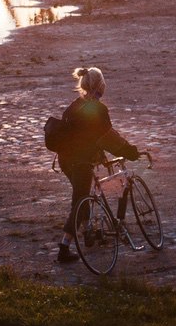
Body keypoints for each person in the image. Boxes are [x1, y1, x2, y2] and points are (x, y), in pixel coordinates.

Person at [51, 66, 143, 264]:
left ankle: (88, 232)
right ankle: (64, 247)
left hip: (66, 160)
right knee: (80, 200)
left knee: (82, 194)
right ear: (101, 86)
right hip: (80, 162)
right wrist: (130, 152)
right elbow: (110, 139)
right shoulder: (99, 110)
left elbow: (83, 136)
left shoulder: (74, 106)